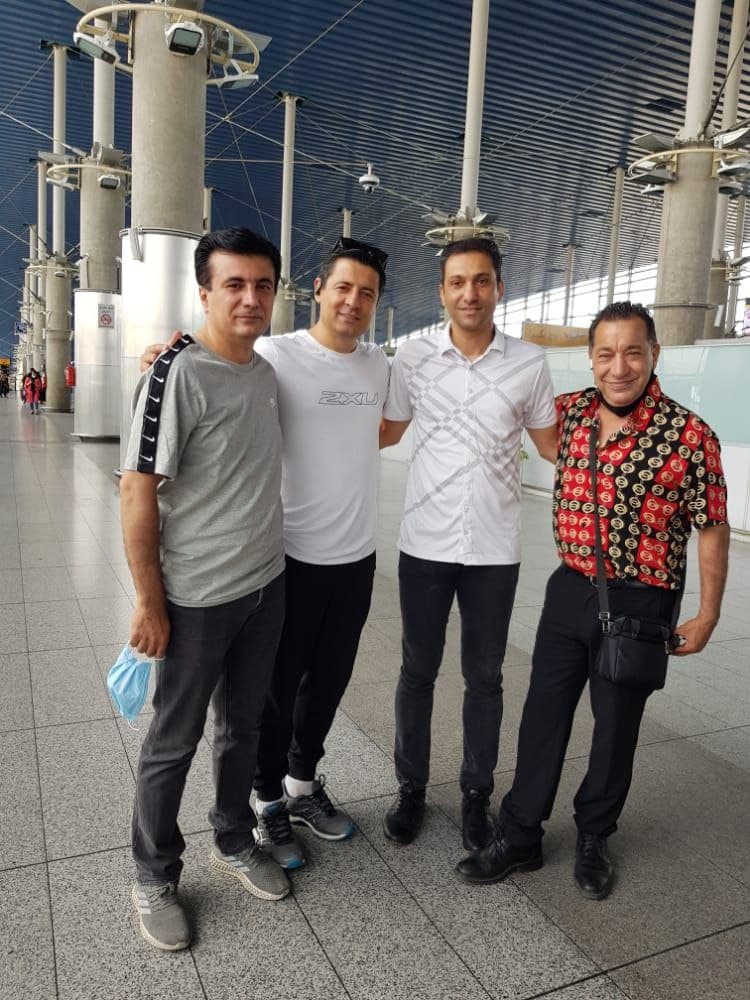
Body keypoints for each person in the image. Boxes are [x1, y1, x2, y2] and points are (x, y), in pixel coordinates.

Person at [456, 301, 730, 899]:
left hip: (642, 602)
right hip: (570, 588)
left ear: (654, 354)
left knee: (615, 727)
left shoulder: (690, 436)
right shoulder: (571, 412)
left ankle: (593, 835)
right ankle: (520, 834)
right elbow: (504, 415)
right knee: (542, 714)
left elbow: (712, 526)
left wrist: (708, 612)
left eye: (633, 352)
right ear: (591, 358)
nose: (618, 367)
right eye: (606, 354)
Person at [140, 236, 391, 872]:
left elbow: (387, 430)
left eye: (366, 293)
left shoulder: (375, 365)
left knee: (324, 683)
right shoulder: (276, 353)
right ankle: (263, 799)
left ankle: (300, 789)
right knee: (264, 698)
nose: (353, 301)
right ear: (317, 290)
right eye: (343, 287)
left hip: (348, 558)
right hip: (283, 558)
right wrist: (161, 357)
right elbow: (206, 359)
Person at [121, 228, 288, 952]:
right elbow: (136, 491)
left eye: (262, 285)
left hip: (265, 586)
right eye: (234, 285)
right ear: (204, 292)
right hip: (195, 598)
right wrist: (149, 601)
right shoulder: (177, 374)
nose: (250, 298)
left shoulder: (265, 372)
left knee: (242, 727)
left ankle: (233, 835)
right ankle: (153, 873)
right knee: (174, 739)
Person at [379, 237, 557, 851]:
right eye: (458, 282)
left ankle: (476, 793)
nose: (470, 293)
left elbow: (554, 446)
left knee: (485, 678)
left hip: (493, 550)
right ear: (442, 292)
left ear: (499, 288)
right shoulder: (413, 358)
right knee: (417, 671)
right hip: (424, 544)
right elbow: (384, 430)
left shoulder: (529, 364)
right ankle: (411, 788)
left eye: (481, 281)